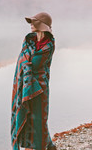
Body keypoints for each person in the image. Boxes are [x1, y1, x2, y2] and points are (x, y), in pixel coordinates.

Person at [11, 12, 57, 150]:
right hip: (24, 86)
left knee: (38, 119)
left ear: (42, 26)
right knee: (30, 116)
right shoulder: (29, 41)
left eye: (34, 22)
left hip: (39, 88)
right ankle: (48, 145)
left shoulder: (48, 45)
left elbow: (34, 64)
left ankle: (41, 146)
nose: (31, 25)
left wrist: (26, 62)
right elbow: (24, 63)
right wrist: (26, 63)